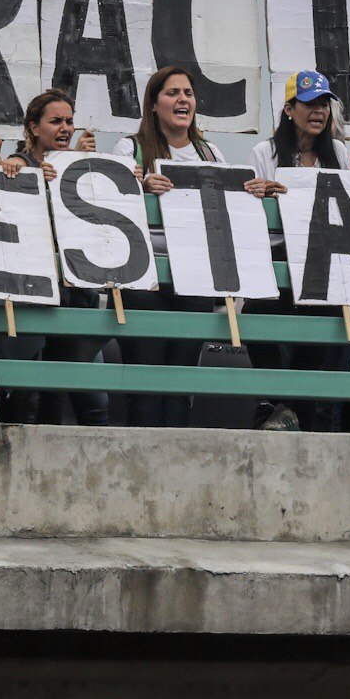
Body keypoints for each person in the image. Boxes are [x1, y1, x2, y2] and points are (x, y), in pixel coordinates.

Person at [244, 70, 350, 431]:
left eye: (323, 104)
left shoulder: (339, 153)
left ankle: (287, 412)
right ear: (289, 109)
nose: (318, 111)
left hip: (327, 268)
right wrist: (260, 195)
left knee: (322, 349)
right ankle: (284, 407)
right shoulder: (263, 152)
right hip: (281, 266)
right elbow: (251, 215)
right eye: (309, 104)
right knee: (259, 321)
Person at [110, 67, 235, 428]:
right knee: (145, 383)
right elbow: (109, 201)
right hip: (145, 276)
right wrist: (140, 188)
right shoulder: (130, 147)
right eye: (172, 93)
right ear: (153, 104)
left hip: (193, 278)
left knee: (181, 383)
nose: (183, 99)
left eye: (188, 93)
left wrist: (250, 190)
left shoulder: (210, 152)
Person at [0, 89, 109, 428]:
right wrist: (15, 170)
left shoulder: (77, 166)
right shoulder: (19, 165)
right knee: (25, 385)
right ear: (33, 127)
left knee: (59, 386)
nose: (65, 127)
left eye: (69, 121)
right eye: (55, 121)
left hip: (75, 291)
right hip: (32, 292)